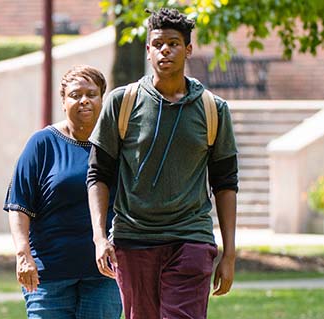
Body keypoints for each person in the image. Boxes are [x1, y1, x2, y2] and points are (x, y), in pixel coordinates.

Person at [87, 8, 238, 319]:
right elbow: (98, 174)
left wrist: (230, 253)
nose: (165, 50)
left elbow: (225, 183)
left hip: (191, 237)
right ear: (148, 50)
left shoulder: (213, 109)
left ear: (188, 49)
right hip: (133, 239)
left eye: (173, 43)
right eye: (157, 44)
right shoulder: (121, 102)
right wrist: (100, 236)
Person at [3, 65, 122, 319]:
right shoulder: (42, 143)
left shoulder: (116, 145)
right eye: (75, 94)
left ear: (103, 98)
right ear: (63, 101)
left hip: (105, 273)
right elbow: (18, 204)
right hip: (49, 274)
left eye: (91, 94)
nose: (84, 101)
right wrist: (23, 255)